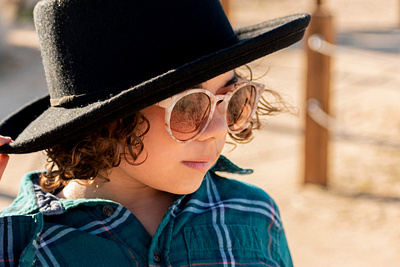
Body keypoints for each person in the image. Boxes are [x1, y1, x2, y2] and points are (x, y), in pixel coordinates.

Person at [0, 0, 310, 266]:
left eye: (233, 98)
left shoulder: (253, 213)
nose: (218, 131)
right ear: (104, 120)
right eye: (189, 106)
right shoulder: (15, 245)